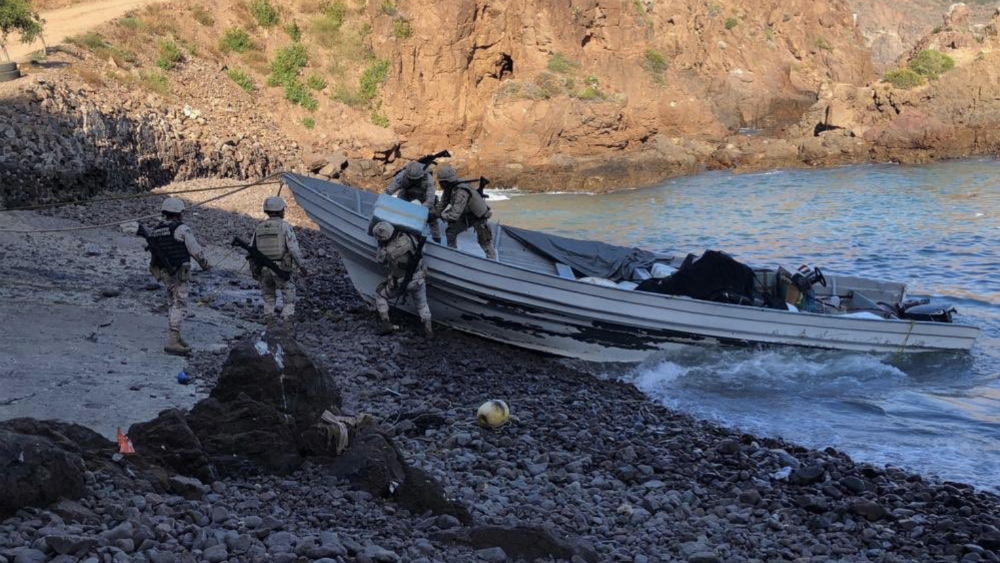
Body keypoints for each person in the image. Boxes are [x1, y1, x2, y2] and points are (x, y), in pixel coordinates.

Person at [147, 197, 211, 356]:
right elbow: (195, 250)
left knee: (171, 301)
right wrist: (205, 264)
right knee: (180, 303)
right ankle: (173, 340)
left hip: (163, 273)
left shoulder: (156, 230)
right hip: (177, 272)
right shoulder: (182, 229)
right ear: (179, 213)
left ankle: (177, 336)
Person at [251, 196, 307, 332]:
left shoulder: (259, 228)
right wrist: (302, 266)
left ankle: (270, 327)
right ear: (279, 210)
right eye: (283, 209)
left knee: (269, 298)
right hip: (282, 269)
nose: (284, 211)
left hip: (264, 269)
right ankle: (286, 328)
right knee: (289, 299)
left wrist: (254, 271)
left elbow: (251, 251)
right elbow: (293, 249)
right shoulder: (284, 226)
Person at [371, 221, 433, 338]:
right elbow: (423, 249)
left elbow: (380, 261)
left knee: (381, 296)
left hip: (401, 282)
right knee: (422, 304)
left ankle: (386, 323)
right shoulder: (409, 237)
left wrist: (381, 246)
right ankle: (428, 330)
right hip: (419, 278)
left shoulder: (388, 250)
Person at [435, 165, 496, 259]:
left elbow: (454, 216)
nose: (440, 184)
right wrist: (432, 213)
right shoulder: (449, 188)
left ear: (446, 182)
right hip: (466, 215)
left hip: (478, 218)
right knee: (451, 231)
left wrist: (441, 215)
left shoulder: (461, 191)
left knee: (484, 242)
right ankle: (452, 254)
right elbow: (442, 204)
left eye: (441, 182)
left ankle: (493, 263)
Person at [385, 161, 441, 243]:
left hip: (423, 199)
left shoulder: (429, 180)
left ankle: (436, 239)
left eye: (415, 179)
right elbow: (390, 189)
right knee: (398, 212)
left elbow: (430, 200)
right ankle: (395, 232)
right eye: (410, 179)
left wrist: (418, 211)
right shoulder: (403, 175)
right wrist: (385, 199)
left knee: (432, 218)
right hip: (406, 195)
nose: (413, 181)